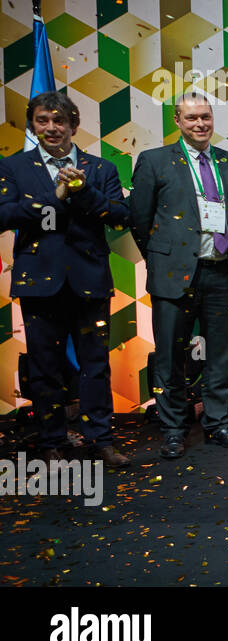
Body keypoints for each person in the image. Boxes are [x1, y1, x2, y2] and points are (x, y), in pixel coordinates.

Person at [0, 91, 130, 466]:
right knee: (44, 366)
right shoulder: (14, 167)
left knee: (96, 364)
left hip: (90, 279)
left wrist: (83, 191)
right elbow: (5, 216)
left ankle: (101, 441)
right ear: (33, 125)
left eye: (60, 121)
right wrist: (55, 197)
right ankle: (51, 441)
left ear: (74, 125)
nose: (52, 128)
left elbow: (119, 215)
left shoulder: (101, 168)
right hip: (39, 282)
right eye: (43, 121)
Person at [129, 92, 228, 459]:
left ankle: (218, 425)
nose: (200, 124)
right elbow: (139, 220)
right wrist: (163, 258)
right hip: (173, 275)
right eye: (192, 118)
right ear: (177, 122)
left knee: (220, 355)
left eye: (206, 117)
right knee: (169, 357)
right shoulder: (154, 161)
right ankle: (173, 430)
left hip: (220, 272)